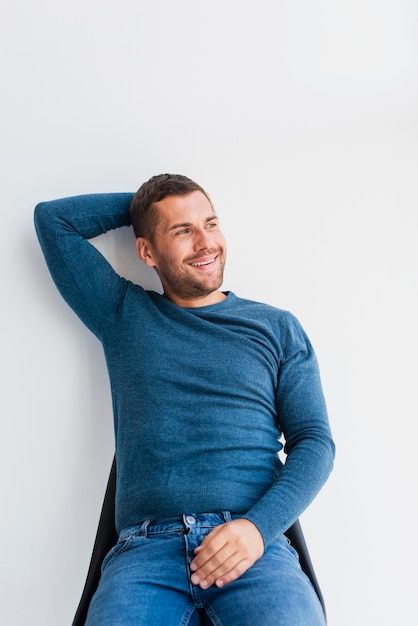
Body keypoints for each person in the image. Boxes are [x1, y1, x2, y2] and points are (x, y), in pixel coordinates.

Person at [34, 173, 335, 626]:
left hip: (252, 545)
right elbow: (53, 221)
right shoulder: (123, 314)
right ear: (146, 251)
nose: (205, 242)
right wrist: (143, 210)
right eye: (182, 231)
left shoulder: (276, 327)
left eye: (210, 223)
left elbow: (315, 442)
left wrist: (257, 529)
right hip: (146, 551)